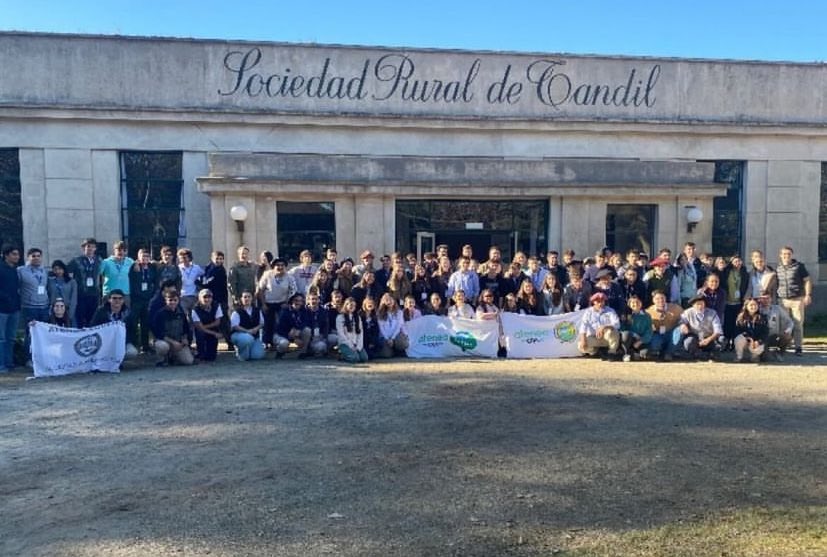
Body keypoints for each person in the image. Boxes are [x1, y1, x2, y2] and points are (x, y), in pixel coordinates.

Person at [775, 246, 812, 356]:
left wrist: (808, 295)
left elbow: (807, 281)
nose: (786, 256)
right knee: (784, 324)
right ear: (780, 255)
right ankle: (783, 346)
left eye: (789, 254)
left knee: (798, 324)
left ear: (792, 255)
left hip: (797, 299)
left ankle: (798, 347)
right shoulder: (778, 268)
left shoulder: (799, 267)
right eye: (784, 254)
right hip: (783, 300)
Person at [257, 257, 297, 350]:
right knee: (267, 323)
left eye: (282, 265)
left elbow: (293, 291)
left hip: (282, 303)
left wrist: (287, 302)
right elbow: (260, 290)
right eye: (277, 265)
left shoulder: (289, 277)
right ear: (273, 267)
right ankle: (266, 342)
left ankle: (282, 342)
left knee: (280, 323)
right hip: (268, 303)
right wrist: (263, 304)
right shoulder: (267, 275)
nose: (280, 267)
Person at [18, 248, 51, 357]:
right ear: (28, 257)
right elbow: (16, 288)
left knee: (43, 334)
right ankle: (28, 358)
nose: (36, 258)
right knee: (30, 334)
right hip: (29, 307)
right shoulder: (21, 270)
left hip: (44, 307)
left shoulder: (44, 271)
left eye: (38, 256)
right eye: (33, 256)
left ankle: (41, 356)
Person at [91, 289, 139, 360]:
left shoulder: (128, 313)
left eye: (120, 298)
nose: (117, 300)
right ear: (109, 299)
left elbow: (133, 330)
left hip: (123, 342)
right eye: (114, 298)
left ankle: (117, 362)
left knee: (132, 352)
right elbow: (93, 327)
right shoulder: (101, 312)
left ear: (123, 300)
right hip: (104, 342)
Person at [151, 290, 194, 367]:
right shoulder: (160, 314)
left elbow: (186, 329)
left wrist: (185, 339)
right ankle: (162, 359)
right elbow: (158, 333)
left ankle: (173, 357)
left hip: (178, 342)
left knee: (188, 361)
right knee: (162, 346)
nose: (173, 302)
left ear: (178, 300)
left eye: (175, 300)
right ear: (166, 300)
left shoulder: (181, 314)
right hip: (165, 342)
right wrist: (173, 342)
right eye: (170, 300)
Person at [128, 248, 158, 353]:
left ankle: (145, 346)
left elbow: (156, 282)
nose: (145, 258)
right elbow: (132, 282)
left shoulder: (152, 267)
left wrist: (152, 295)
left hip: (148, 299)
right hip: (136, 299)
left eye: (147, 256)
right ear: (138, 257)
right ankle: (134, 344)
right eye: (143, 256)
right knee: (134, 322)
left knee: (146, 323)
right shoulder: (134, 267)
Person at [675, 295, 723, 360]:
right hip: (695, 337)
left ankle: (711, 354)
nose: (700, 306)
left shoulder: (712, 313)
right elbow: (681, 321)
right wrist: (683, 325)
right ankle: (701, 355)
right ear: (693, 305)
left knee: (722, 340)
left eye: (702, 304)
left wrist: (708, 339)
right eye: (697, 304)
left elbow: (718, 330)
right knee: (688, 342)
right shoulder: (687, 312)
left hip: (709, 337)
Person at [67, 237, 102, 328]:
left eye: (93, 247)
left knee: (93, 319)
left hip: (94, 294)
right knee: (80, 319)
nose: (90, 249)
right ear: (83, 248)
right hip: (81, 294)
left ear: (95, 248)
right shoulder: (76, 260)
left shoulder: (99, 260)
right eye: (88, 246)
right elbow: (66, 271)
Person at [577, 292, 621, 358]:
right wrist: (583, 340)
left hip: (606, 338)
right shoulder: (588, 312)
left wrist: (604, 327)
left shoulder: (610, 310)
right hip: (594, 337)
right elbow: (583, 327)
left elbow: (617, 324)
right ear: (594, 302)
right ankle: (595, 352)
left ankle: (611, 352)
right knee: (580, 345)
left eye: (602, 301)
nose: (600, 303)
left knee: (613, 331)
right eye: (598, 301)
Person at [722, 254, 750, 350]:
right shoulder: (727, 272)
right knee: (727, 323)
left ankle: (735, 343)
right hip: (728, 302)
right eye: (735, 261)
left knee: (737, 324)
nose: (737, 263)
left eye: (739, 261)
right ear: (731, 263)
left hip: (739, 302)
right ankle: (726, 342)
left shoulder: (744, 273)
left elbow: (746, 286)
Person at [645, 290, 683, 361]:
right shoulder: (648, 311)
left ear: (665, 298)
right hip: (657, 334)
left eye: (662, 298)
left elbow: (684, 318)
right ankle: (658, 352)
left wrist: (682, 325)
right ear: (653, 300)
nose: (660, 300)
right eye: (657, 299)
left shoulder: (675, 308)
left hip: (671, 333)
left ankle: (669, 353)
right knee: (654, 343)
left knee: (680, 331)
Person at [0, 245, 21, 372]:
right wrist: (5, 297)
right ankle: (1, 364)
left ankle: (9, 362)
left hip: (14, 309)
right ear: (6, 255)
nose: (17, 257)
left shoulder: (15, 270)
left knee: (11, 337)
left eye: (17, 254)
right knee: (1, 338)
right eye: (14, 254)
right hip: (1, 309)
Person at [229, 291, 266, 361]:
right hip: (239, 335)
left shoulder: (257, 310)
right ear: (241, 299)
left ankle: (250, 349)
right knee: (247, 340)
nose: (247, 299)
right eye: (245, 297)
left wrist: (256, 329)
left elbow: (262, 323)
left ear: (252, 299)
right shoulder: (236, 311)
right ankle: (239, 350)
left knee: (257, 356)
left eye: (249, 297)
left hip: (254, 336)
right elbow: (234, 326)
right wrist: (247, 331)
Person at [191, 288, 224, 362]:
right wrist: (214, 333)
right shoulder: (195, 309)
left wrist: (204, 327)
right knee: (200, 333)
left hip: (212, 329)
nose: (207, 299)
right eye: (205, 297)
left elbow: (217, 322)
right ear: (199, 298)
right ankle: (200, 353)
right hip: (202, 333)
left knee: (212, 357)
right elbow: (199, 328)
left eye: (209, 297)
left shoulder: (217, 305)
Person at [274, 293, 310, 358]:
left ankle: (302, 352)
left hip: (295, 334)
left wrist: (299, 329)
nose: (298, 303)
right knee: (284, 344)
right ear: (292, 301)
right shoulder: (285, 312)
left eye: (300, 301)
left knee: (307, 330)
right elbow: (280, 329)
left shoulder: (304, 311)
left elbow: (305, 322)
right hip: (281, 335)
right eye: (296, 300)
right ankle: (280, 352)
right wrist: (292, 339)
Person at [733, 297, 768, 363]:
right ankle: (739, 356)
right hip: (745, 341)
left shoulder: (763, 317)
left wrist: (758, 341)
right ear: (746, 306)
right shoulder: (740, 317)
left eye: (755, 305)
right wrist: (749, 339)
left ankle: (754, 357)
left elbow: (765, 333)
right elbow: (737, 331)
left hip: (756, 342)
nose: (753, 307)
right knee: (738, 339)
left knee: (759, 348)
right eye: (751, 305)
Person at [759, 295, 794, 361]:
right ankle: (765, 353)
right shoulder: (756, 309)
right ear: (759, 299)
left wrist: (788, 331)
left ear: (771, 299)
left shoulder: (777, 308)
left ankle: (779, 353)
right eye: (763, 298)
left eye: (767, 298)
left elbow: (790, 322)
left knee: (787, 337)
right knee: (765, 359)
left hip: (774, 336)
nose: (766, 300)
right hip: (762, 338)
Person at [620, 295, 652, 362]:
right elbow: (622, 329)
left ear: (641, 303)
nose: (636, 304)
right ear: (629, 305)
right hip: (629, 340)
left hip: (640, 341)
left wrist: (640, 341)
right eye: (633, 302)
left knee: (645, 355)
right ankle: (626, 353)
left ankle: (633, 353)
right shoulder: (626, 315)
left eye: (637, 302)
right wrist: (623, 321)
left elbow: (649, 331)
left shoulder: (646, 316)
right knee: (626, 334)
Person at [336, 297, 368, 363]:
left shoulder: (357, 317)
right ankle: (341, 354)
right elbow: (341, 333)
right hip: (345, 343)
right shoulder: (340, 317)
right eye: (350, 305)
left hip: (356, 343)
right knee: (355, 359)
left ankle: (353, 353)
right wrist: (351, 345)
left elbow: (360, 332)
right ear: (346, 305)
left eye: (354, 306)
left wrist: (359, 346)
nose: (352, 307)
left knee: (364, 358)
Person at [377, 293, 408, 358]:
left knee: (403, 343)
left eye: (391, 299)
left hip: (395, 335)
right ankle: (391, 350)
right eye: (387, 300)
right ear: (383, 302)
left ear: (394, 300)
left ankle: (398, 349)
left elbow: (398, 326)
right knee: (386, 355)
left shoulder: (399, 312)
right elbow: (381, 328)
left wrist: (392, 338)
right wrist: (387, 339)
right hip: (385, 337)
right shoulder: (379, 313)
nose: (389, 301)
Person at [47, 260, 77, 326]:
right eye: (55, 269)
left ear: (64, 269)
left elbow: (74, 298)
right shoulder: (50, 281)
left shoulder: (72, 282)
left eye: (60, 269)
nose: (58, 271)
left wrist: (71, 314)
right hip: (54, 310)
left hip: (67, 310)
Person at [177, 247, 204, 318]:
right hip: (183, 296)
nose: (183, 260)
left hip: (194, 295)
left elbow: (203, 276)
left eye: (185, 257)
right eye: (181, 258)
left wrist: (199, 285)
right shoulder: (178, 268)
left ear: (189, 257)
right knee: (185, 316)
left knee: (194, 316)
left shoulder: (196, 268)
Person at [228, 245, 257, 310]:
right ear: (238, 255)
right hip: (240, 298)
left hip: (251, 297)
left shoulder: (252, 267)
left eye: (246, 254)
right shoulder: (234, 268)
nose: (244, 256)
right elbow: (231, 284)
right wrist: (235, 297)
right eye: (242, 254)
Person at [302, 291, 330, 358]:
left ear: (319, 300)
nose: (314, 301)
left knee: (333, 339)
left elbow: (326, 325)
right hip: (309, 337)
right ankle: (305, 350)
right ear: (308, 300)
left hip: (320, 335)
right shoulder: (304, 311)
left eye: (316, 299)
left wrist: (324, 336)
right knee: (306, 330)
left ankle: (325, 351)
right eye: (312, 299)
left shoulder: (323, 311)